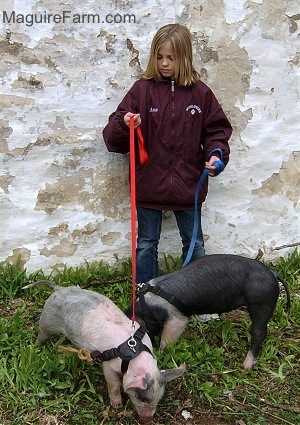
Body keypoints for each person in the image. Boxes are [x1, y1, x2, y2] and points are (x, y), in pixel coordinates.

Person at [103, 23, 232, 290]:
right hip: (149, 183)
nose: (164, 63)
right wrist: (124, 122)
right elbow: (113, 138)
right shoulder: (142, 90)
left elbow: (217, 131)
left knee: (194, 242)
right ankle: (146, 295)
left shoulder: (201, 93)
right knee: (147, 242)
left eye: (171, 58)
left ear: (184, 58)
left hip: (189, 186)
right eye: (159, 57)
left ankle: (199, 294)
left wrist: (216, 155)